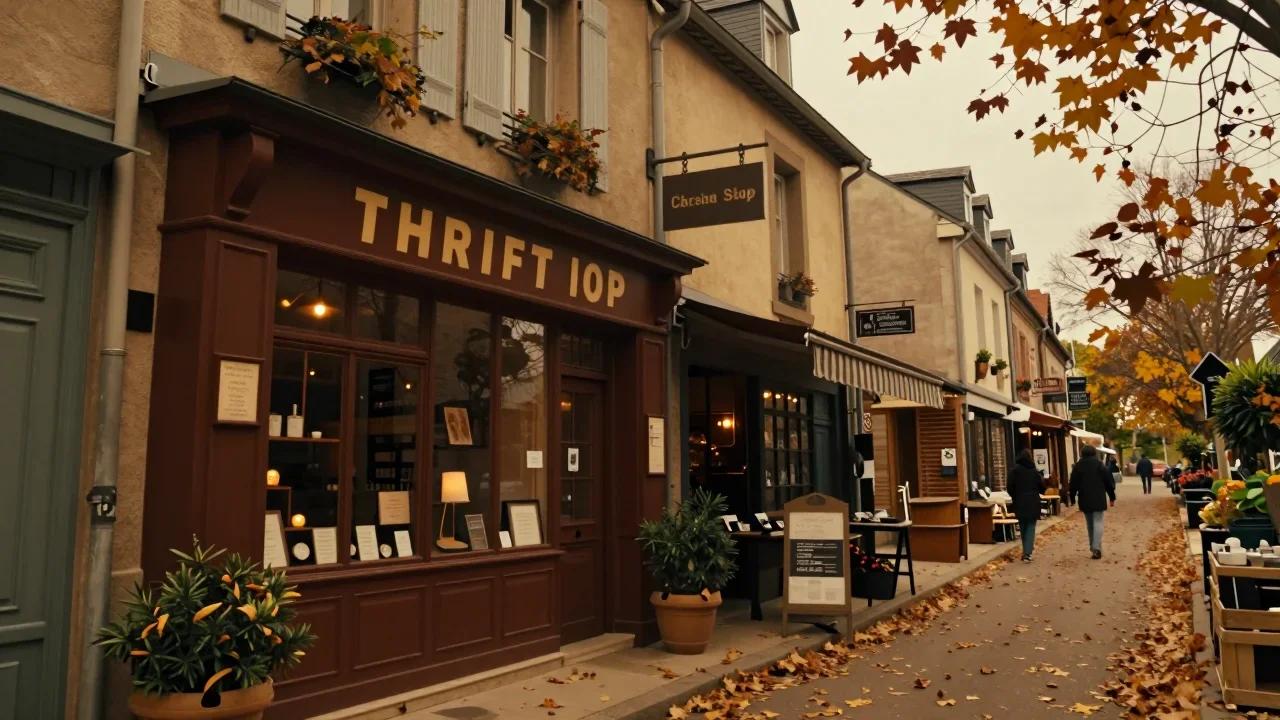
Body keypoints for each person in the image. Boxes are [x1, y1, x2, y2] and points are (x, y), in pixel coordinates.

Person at [1069, 444, 1117, 559]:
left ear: (1082, 454)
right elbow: (1108, 483)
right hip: (1099, 498)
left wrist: (1071, 499)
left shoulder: (1077, 466)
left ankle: (1093, 547)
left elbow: (1073, 484)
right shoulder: (1100, 465)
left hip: (1084, 498)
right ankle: (1096, 548)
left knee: (1090, 524)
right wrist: (1112, 497)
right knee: (1098, 522)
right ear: (1094, 453)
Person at [1007, 449, 1046, 562]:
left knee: (1023, 527)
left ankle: (1026, 550)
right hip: (1033, 502)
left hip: (1019, 502)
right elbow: (1042, 488)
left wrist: (1015, 496)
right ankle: (1027, 553)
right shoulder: (1034, 471)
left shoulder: (1014, 471)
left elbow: (1010, 488)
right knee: (1031, 527)